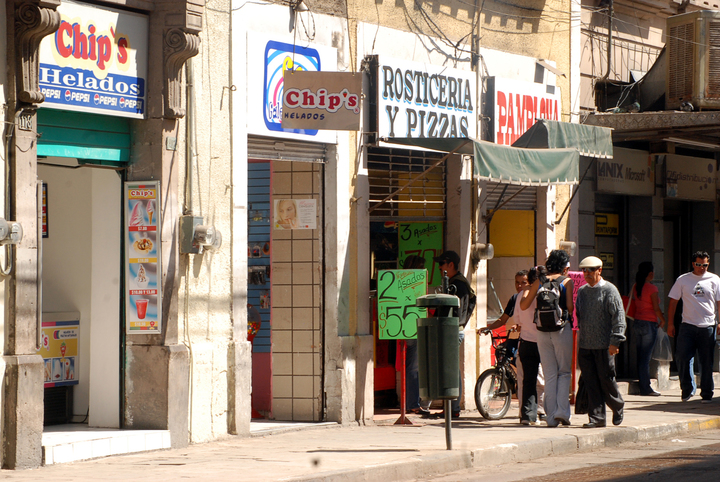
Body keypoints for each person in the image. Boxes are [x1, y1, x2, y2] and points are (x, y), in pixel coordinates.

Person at [521, 249, 574, 427]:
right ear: (565, 266)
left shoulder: (539, 281)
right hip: (561, 330)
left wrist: (530, 287)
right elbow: (569, 308)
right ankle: (562, 413)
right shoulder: (567, 281)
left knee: (550, 374)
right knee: (564, 372)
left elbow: (524, 305)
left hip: (542, 332)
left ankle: (551, 418)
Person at [575, 256, 626, 428]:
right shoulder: (582, 291)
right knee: (590, 381)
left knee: (606, 379)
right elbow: (579, 316)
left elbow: (618, 317)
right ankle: (597, 418)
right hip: (585, 345)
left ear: (599, 270)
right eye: (584, 271)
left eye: (590, 270)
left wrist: (615, 341)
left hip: (604, 345)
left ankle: (617, 405)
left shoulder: (609, 290)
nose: (587, 274)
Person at [667, 251, 720, 403]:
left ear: (708, 264)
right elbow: (673, 302)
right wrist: (670, 323)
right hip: (687, 326)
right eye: (698, 264)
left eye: (704, 265)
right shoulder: (683, 280)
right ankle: (687, 390)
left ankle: (707, 392)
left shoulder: (715, 279)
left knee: (706, 361)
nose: (701, 268)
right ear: (693, 264)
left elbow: (719, 302)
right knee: (683, 357)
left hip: (707, 326)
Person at [433, 250, 476, 419]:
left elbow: (457, 310)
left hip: (452, 330)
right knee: (450, 369)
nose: (438, 268)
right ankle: (451, 406)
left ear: (450, 265)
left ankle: (453, 407)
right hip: (452, 329)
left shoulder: (458, 285)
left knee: (450, 369)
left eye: (440, 264)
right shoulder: (454, 282)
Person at [630, 262, 666, 396]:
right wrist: (663, 320)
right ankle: (645, 388)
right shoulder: (652, 288)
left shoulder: (636, 286)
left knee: (641, 356)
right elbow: (656, 308)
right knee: (645, 358)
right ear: (650, 274)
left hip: (638, 322)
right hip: (649, 323)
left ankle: (643, 385)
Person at [515, 266, 544, 425]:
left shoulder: (521, 295)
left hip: (526, 341)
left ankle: (527, 415)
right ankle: (545, 411)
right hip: (545, 341)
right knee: (549, 378)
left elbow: (517, 320)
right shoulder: (546, 292)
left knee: (528, 380)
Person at [401, 255, 428, 414]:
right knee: (414, 366)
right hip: (414, 327)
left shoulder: (400, 282)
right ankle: (412, 403)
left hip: (403, 326)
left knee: (411, 365)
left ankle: (411, 401)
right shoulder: (416, 283)